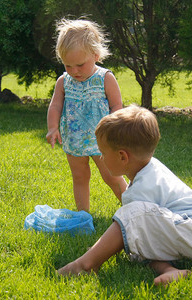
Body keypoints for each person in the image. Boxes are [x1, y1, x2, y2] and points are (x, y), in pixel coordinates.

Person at [57, 105, 192, 286]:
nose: (101, 158)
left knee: (131, 218)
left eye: (103, 152)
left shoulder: (142, 189)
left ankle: (84, 265)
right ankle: (170, 271)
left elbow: (129, 226)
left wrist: (102, 249)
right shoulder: (151, 169)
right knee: (136, 247)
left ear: (122, 157)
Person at [46, 19, 128, 212]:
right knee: (80, 176)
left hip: (103, 139)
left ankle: (132, 207)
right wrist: (52, 127)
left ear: (96, 55)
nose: (74, 71)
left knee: (111, 175)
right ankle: (84, 215)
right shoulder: (63, 81)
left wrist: (114, 130)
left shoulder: (105, 78)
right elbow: (55, 105)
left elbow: (117, 105)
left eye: (80, 65)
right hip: (74, 138)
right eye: (68, 66)